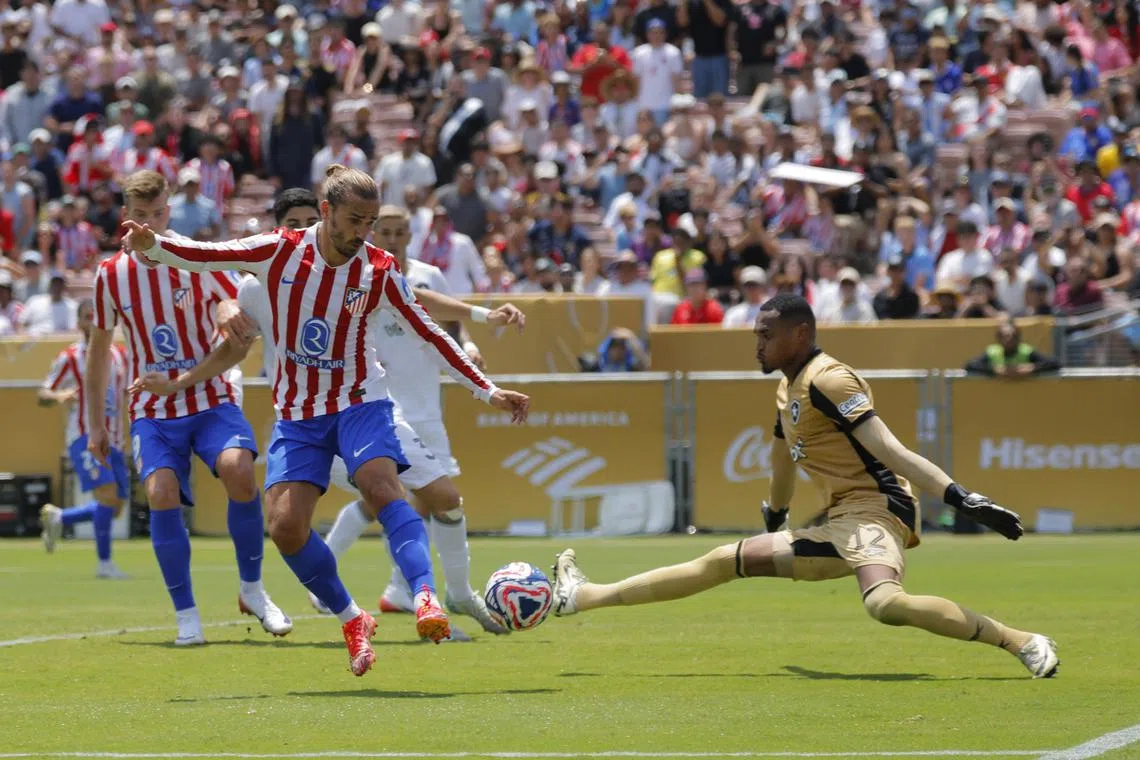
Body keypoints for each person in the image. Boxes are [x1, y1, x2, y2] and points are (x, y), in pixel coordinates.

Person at [119, 165, 530, 676]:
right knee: (286, 527)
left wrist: (487, 391)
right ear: (328, 212)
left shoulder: (378, 270)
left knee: (382, 485)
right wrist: (153, 247)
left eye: (371, 222)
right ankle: (351, 617)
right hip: (299, 415)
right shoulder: (279, 250)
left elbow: (430, 332)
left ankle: (426, 596)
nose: (363, 232)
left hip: (360, 400)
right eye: (355, 220)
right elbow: (208, 255)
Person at [550, 294, 1059, 680]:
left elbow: (892, 452)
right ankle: (581, 596)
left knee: (884, 605)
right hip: (841, 520)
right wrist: (776, 512)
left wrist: (961, 498)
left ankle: (1022, 641)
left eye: (765, 335)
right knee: (724, 560)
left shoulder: (831, 380)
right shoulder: (786, 386)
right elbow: (781, 455)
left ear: (798, 334)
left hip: (877, 511)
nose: (757, 345)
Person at [87, 170, 290, 647]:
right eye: (140, 216)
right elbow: (98, 351)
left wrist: (224, 307)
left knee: (240, 470)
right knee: (160, 492)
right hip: (153, 407)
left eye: (157, 215)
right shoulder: (110, 275)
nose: (149, 225)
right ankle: (186, 615)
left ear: (168, 211)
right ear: (125, 217)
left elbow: (235, 296)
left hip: (209, 395)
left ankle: (253, 590)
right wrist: (98, 423)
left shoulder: (192, 254)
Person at [37, 300, 130, 578]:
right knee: (108, 495)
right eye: (88, 317)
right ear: (78, 323)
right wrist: (60, 396)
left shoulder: (120, 356)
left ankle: (60, 518)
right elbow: (43, 394)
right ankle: (105, 564)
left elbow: (127, 393)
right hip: (84, 436)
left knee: (115, 507)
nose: (93, 321)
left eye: (97, 316)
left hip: (115, 439)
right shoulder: (69, 357)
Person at [965, 320, 1060, 377]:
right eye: (1005, 336)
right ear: (999, 339)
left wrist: (1032, 368)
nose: (1009, 339)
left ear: (1019, 338)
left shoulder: (1026, 351)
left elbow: (1054, 363)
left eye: (1013, 336)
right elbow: (970, 365)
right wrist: (994, 370)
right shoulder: (992, 352)